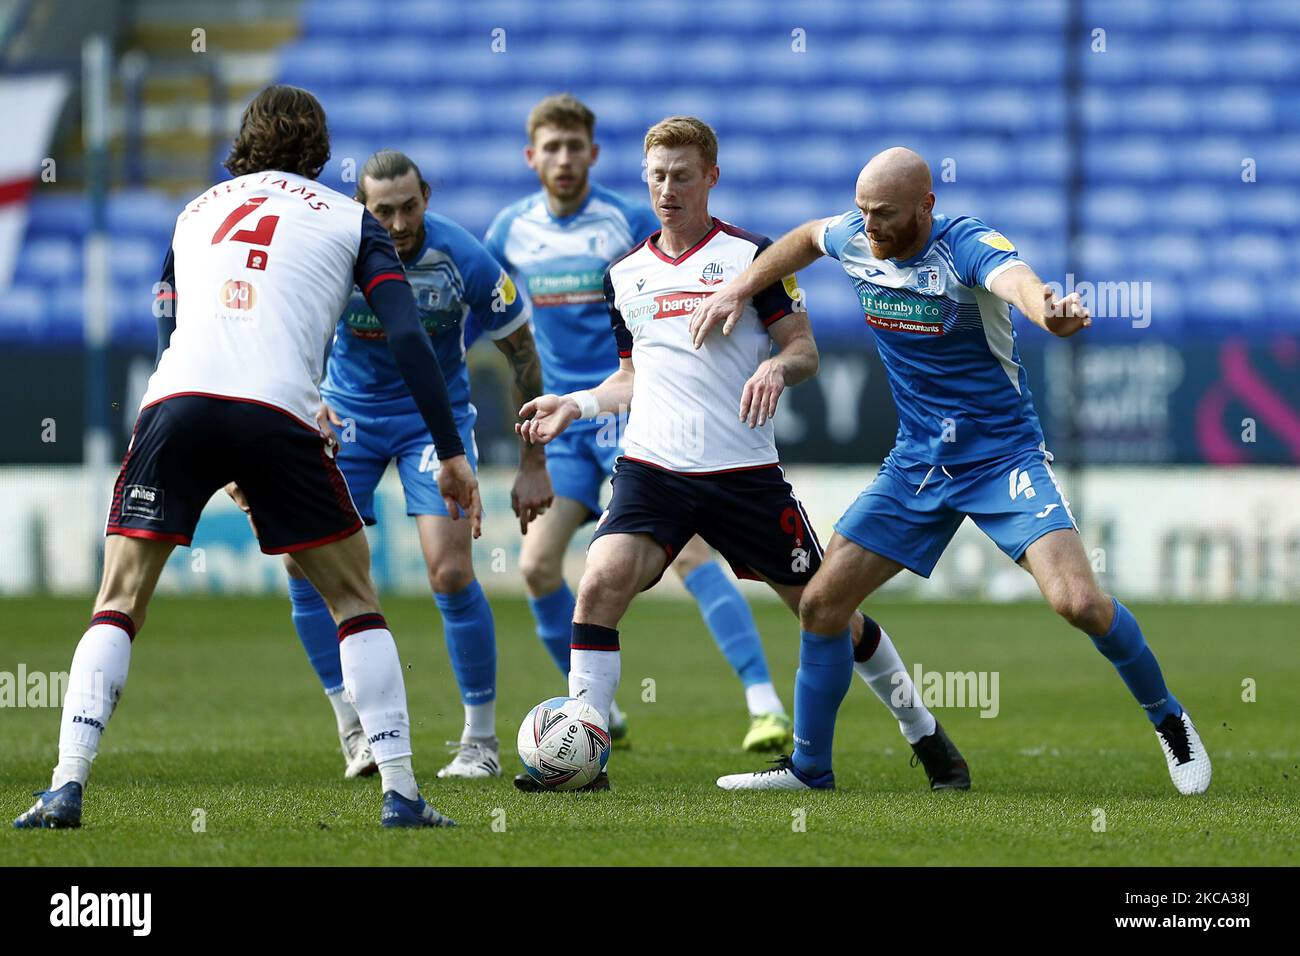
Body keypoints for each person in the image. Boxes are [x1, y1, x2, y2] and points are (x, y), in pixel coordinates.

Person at [15, 86, 474, 829]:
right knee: (354, 599)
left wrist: (203, 439)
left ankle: (65, 787)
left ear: (244, 142)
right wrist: (449, 450)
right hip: (277, 412)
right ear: (321, 152)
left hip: (176, 404)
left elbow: (167, 321)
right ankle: (401, 794)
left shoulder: (195, 212)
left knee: (118, 599)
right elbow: (410, 337)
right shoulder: (353, 219)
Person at [693, 147, 1211, 795]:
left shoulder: (965, 244)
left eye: (885, 215)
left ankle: (1169, 719)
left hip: (1000, 456)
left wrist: (1046, 309)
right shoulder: (855, 237)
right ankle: (810, 771)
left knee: (1078, 602)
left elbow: (1014, 279)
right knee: (823, 606)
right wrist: (738, 286)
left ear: (925, 206)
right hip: (919, 461)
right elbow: (802, 238)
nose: (870, 227)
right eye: (862, 212)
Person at [515, 119, 968, 793]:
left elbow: (805, 351)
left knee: (829, 612)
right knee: (600, 582)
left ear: (711, 178)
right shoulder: (624, 275)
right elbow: (635, 376)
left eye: (683, 175)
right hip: (653, 471)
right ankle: (586, 754)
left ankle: (924, 734)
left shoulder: (755, 259)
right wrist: (575, 404)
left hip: (743, 477)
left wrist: (778, 369)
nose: (668, 189)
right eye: (658, 175)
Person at [482, 95, 794, 753]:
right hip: (574, 416)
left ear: (593, 155)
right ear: (530, 156)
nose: (564, 159)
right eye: (551, 146)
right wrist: (533, 452)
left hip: (641, 414)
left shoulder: (630, 222)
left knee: (688, 551)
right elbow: (505, 331)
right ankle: (595, 716)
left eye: (576, 147)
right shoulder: (508, 231)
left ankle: (763, 701)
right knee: (539, 567)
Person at [246, 149, 551, 782]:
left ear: (427, 197)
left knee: (447, 572)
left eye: (409, 206)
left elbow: (522, 353)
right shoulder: (333, 251)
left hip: (429, 423)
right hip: (346, 418)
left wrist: (532, 462)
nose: (399, 222)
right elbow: (285, 334)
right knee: (303, 567)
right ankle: (352, 729)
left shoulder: (463, 257)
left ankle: (480, 739)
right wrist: (302, 409)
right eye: (383, 210)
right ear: (362, 207)